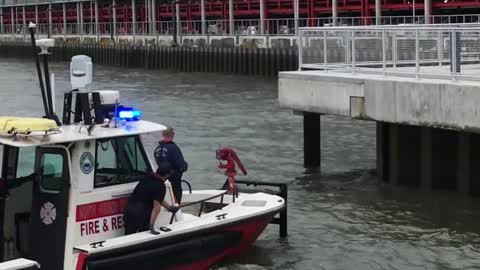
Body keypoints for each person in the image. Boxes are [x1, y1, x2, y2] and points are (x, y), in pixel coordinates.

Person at [123, 162, 179, 235]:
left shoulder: (147, 177)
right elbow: (156, 206)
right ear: (167, 175)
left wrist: (169, 208)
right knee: (143, 236)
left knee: (129, 236)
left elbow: (157, 197)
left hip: (129, 211)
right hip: (141, 214)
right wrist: (151, 226)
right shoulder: (160, 185)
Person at [154, 127, 188, 203]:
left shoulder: (157, 148)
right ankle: (176, 206)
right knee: (177, 192)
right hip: (174, 177)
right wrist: (184, 166)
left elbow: (158, 161)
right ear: (173, 134)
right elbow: (180, 164)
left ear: (162, 134)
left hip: (162, 176)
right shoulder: (173, 148)